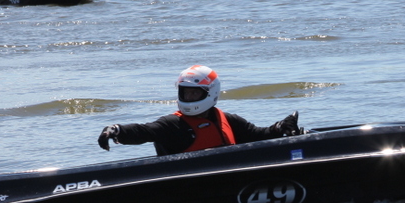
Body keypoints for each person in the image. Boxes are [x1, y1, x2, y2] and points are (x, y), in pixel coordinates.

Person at [98, 65, 301, 156]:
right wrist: (117, 130)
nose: (188, 98)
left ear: (210, 93)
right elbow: (144, 131)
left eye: (194, 94)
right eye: (185, 93)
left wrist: (279, 128)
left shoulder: (228, 120)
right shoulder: (172, 124)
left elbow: (256, 135)